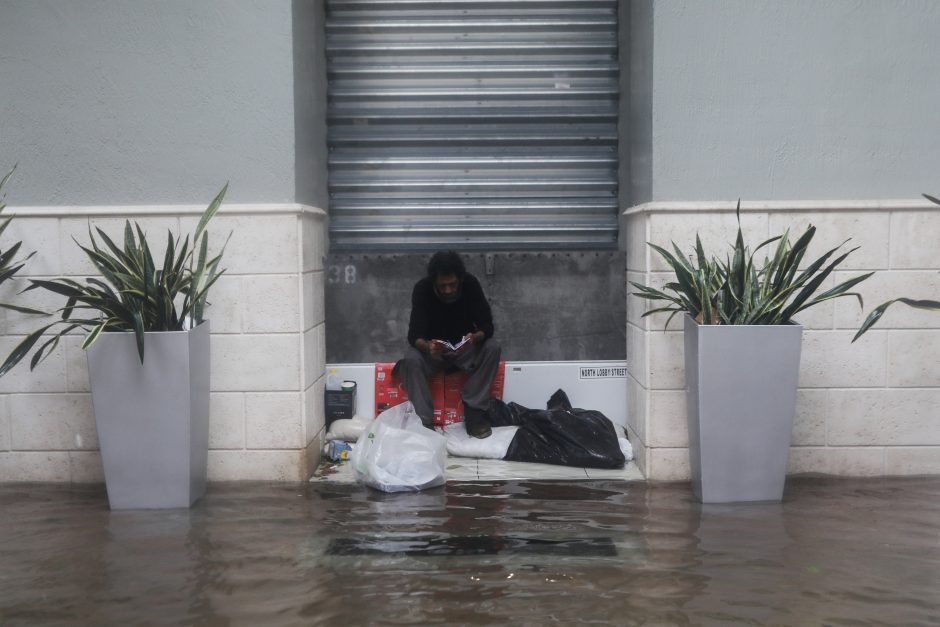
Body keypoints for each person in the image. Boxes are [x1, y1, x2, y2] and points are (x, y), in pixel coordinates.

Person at [396, 251, 501, 439]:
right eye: (442, 286)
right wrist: (427, 347)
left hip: (465, 350)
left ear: (460, 280)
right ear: (434, 282)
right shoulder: (422, 289)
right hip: (434, 354)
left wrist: (474, 338)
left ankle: (475, 413)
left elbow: (487, 326)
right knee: (411, 358)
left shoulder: (470, 284)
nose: (448, 290)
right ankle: (424, 423)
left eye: (452, 285)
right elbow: (414, 335)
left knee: (492, 347)